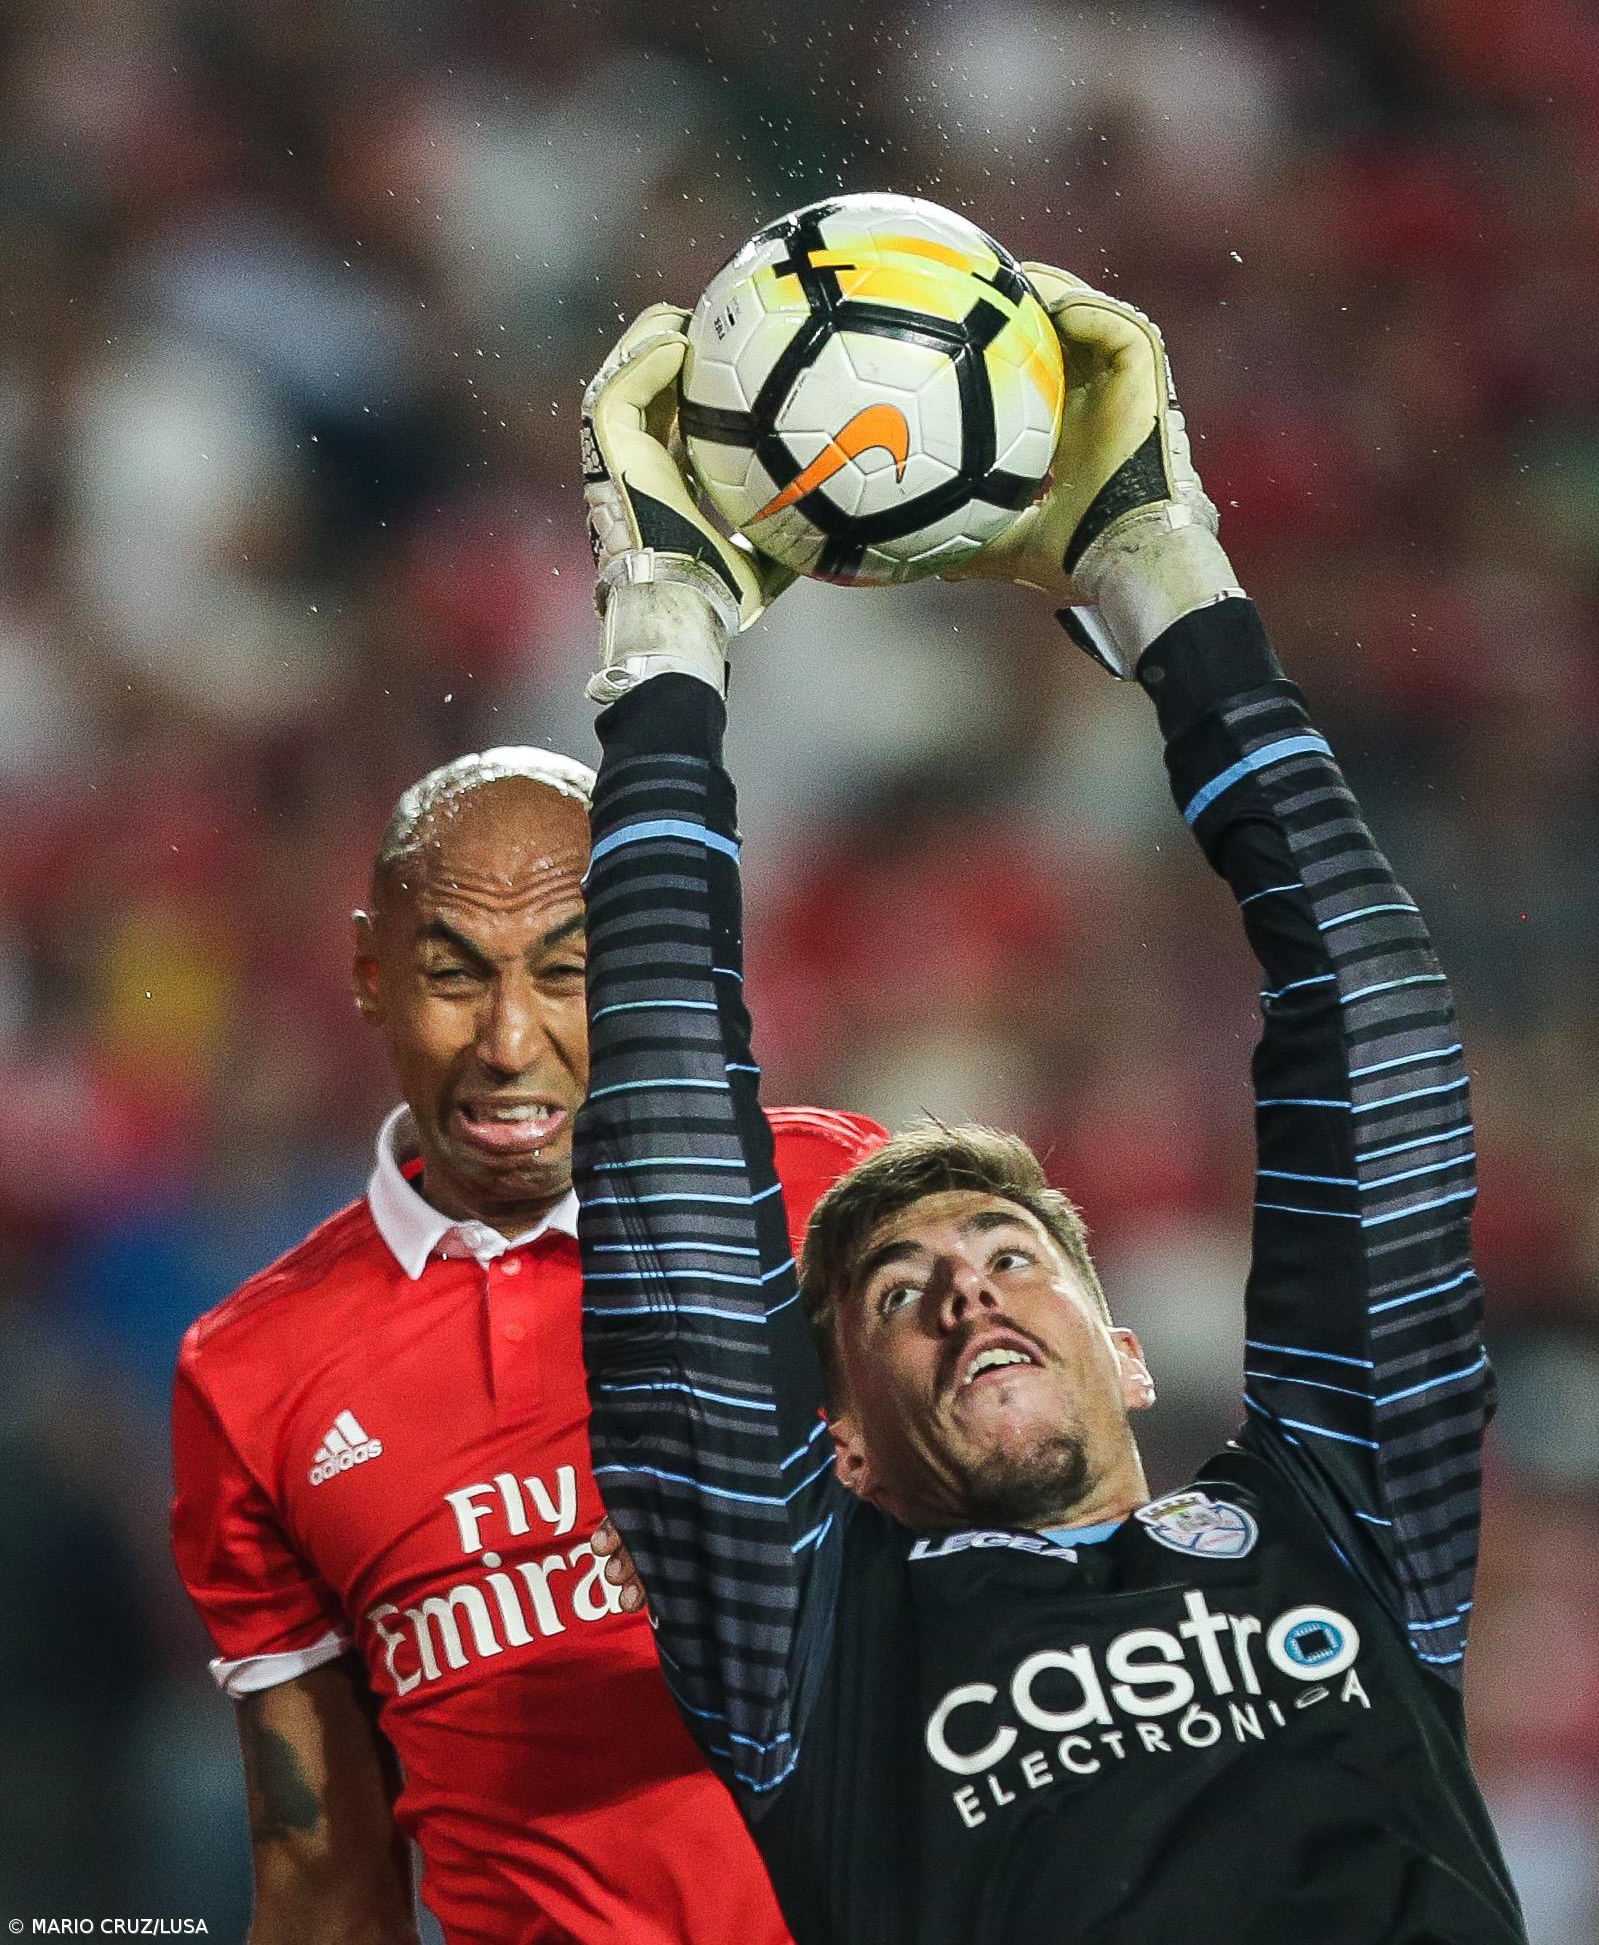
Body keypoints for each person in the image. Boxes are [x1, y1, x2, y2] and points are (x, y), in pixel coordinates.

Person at [570, 262, 1522, 1942]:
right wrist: (665, 640)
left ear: (1128, 1351)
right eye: (897, 1291)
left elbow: (1373, 1030)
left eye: (1013, 1254)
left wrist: (1168, 576)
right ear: (835, 1440)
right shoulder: (813, 1643)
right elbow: (664, 1182)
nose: (968, 1290)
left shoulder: (1341, 1521)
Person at [168, 746, 884, 1944]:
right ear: (370, 975)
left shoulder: (830, 1196)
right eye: (454, 975)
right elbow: (320, 1870)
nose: (509, 1041)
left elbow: (1048, 1579)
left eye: (568, 973)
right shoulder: (250, 1374)